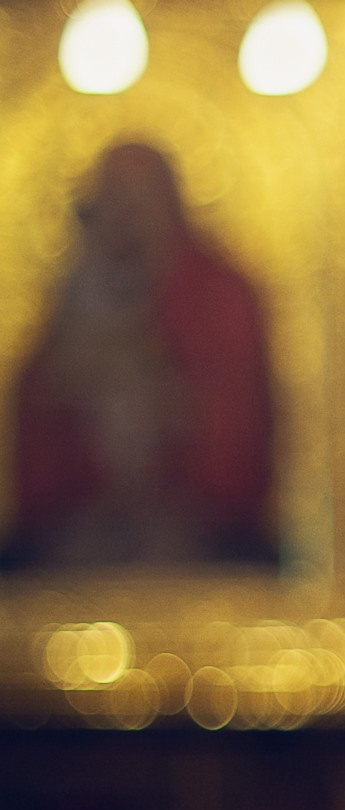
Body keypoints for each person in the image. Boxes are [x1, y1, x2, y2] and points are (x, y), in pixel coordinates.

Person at [6, 137, 276, 566]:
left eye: (139, 196)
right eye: (113, 198)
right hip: (85, 525)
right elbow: (42, 411)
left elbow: (234, 435)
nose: (126, 215)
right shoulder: (77, 287)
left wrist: (165, 403)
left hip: (196, 525)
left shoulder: (220, 294)